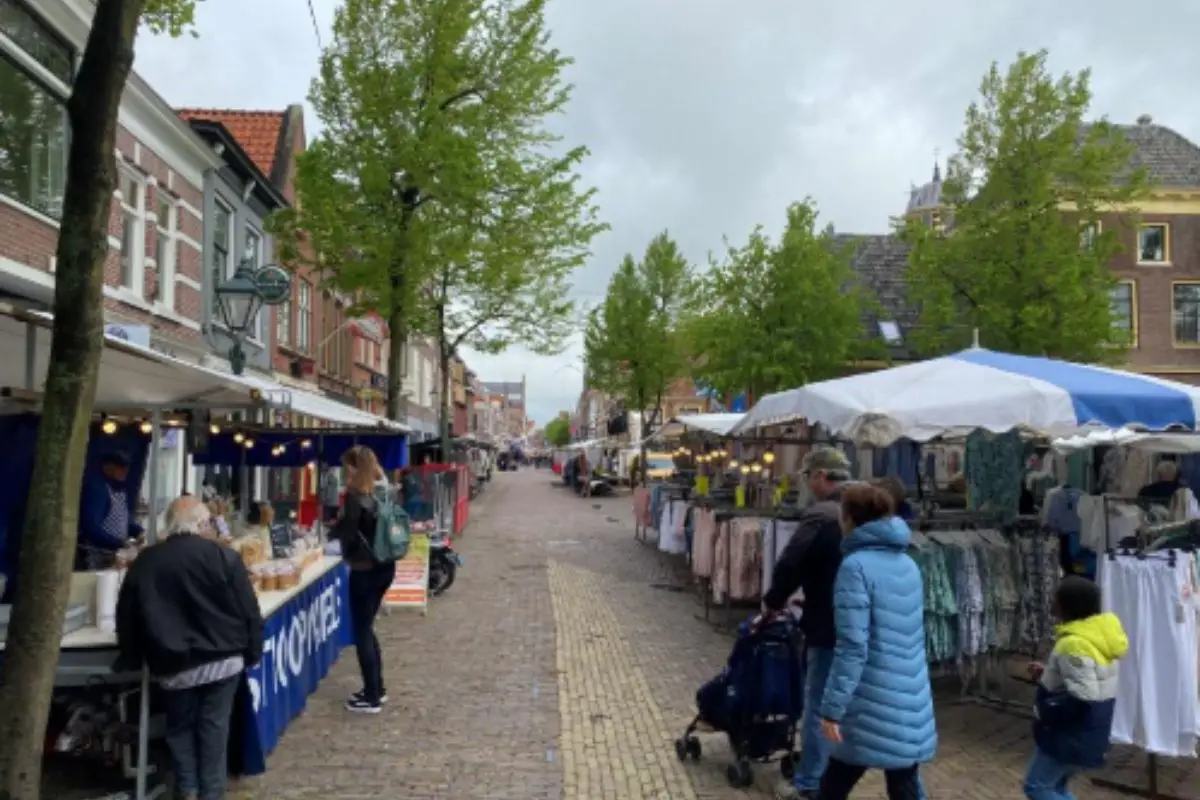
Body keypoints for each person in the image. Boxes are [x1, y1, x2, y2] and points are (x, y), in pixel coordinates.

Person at [116, 496, 262, 800]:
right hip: (223, 657)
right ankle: (211, 792)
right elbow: (248, 610)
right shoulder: (224, 557)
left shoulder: (147, 561)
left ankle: (188, 789)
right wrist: (253, 650)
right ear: (201, 523)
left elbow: (127, 614)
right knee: (214, 728)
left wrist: (130, 655)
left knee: (180, 729)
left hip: (173, 661)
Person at [815, 483, 936, 800]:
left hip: (869, 701)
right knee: (903, 782)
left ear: (851, 519)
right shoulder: (909, 564)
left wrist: (832, 708)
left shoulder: (854, 568)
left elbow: (853, 647)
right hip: (909, 694)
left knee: (835, 783)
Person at [764, 447, 851, 799]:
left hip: (829, 625)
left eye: (807, 477)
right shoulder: (867, 508)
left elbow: (792, 562)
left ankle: (811, 783)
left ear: (820, 476)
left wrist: (773, 601)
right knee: (846, 701)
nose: (807, 485)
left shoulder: (823, 514)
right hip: (860, 622)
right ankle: (833, 772)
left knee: (820, 703)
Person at [1023, 576, 1128, 800]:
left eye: (1056, 598)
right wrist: (1049, 672)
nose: (1052, 602)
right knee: (1057, 787)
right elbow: (1090, 677)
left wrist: (1046, 711)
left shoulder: (1074, 643)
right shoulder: (1098, 636)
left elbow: (1083, 696)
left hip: (1069, 735)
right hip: (1089, 731)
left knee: (1036, 786)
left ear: (1068, 604)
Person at [332, 445, 398, 714]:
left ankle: (371, 696)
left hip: (364, 569)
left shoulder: (356, 497)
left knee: (361, 631)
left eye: (348, 466)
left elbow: (347, 534)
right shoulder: (386, 492)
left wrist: (333, 533)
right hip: (385, 566)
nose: (344, 472)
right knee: (368, 628)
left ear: (355, 468)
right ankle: (377, 688)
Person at [78, 451, 144, 569]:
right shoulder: (97, 490)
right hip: (97, 554)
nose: (125, 471)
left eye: (126, 467)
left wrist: (140, 532)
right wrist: (120, 543)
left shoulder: (120, 490)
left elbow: (123, 521)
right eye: (120, 467)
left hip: (115, 555)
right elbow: (92, 529)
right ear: (107, 467)